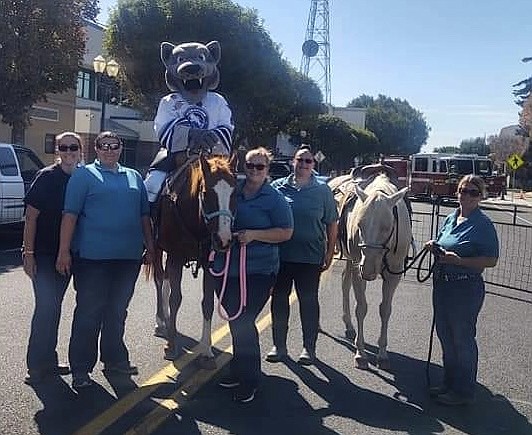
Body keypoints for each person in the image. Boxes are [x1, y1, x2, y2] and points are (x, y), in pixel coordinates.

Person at [56, 131, 154, 390]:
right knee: (89, 313)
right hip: (92, 259)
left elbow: (145, 216)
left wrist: (152, 248)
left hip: (127, 258)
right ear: (96, 149)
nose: (109, 150)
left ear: (121, 148)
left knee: (117, 312)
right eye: (104, 146)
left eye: (114, 146)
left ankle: (114, 360)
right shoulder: (84, 175)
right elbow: (70, 215)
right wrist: (63, 251)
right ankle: (80, 368)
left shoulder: (134, 177)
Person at [213, 147, 293, 403]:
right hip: (228, 269)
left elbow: (286, 232)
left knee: (245, 321)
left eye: (260, 166)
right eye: (250, 165)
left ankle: (250, 379)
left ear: (268, 170)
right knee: (236, 321)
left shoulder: (275, 198)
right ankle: (238, 369)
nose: (254, 170)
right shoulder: (232, 190)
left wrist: (254, 234)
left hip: (259, 270)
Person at [426, 174, 499, 406]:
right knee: (446, 336)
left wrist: (459, 261)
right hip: (443, 285)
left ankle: (463, 392)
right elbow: (442, 241)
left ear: (480, 196)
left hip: (466, 287)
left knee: (462, 339)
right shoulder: (451, 217)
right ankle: (449, 383)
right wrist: (434, 246)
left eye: (473, 192)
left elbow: (491, 260)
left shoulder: (483, 224)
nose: (466, 196)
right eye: (463, 191)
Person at [267, 145, 338, 365]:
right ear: (292, 162)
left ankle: (309, 348)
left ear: (313, 165)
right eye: (300, 160)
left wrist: (330, 251)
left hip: (310, 257)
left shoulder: (322, 190)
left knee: (308, 302)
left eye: (308, 161)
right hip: (281, 256)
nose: (304, 164)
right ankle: (279, 345)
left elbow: (332, 223)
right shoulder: (278, 187)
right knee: (279, 301)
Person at [22, 132, 83, 385]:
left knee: (54, 307)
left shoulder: (83, 177)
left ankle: (49, 360)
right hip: (45, 255)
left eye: (73, 147)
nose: (68, 152)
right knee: (46, 307)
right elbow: (31, 217)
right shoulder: (46, 177)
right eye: (63, 147)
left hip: (70, 255)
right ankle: (36, 365)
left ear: (81, 150)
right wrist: (28, 254)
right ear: (57, 151)